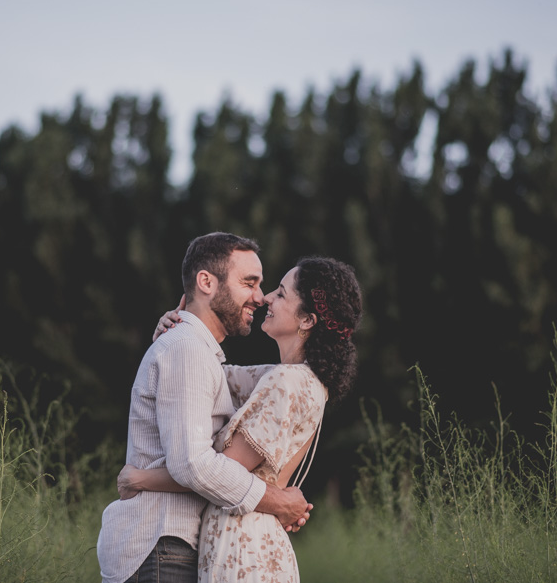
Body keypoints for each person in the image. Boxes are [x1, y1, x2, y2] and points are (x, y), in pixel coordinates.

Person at [119, 256, 363, 583]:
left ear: (307, 320)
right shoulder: (295, 380)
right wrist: (181, 327)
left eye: (281, 293)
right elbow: (205, 376)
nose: (266, 298)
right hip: (248, 543)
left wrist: (140, 479)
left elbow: (214, 471)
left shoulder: (287, 384)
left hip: (242, 548)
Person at [96, 232, 312, 583]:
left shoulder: (199, 354)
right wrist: (276, 501)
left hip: (171, 548)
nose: (260, 297)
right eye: (249, 282)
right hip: (162, 546)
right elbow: (192, 464)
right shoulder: (187, 351)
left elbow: (286, 381)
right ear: (206, 282)